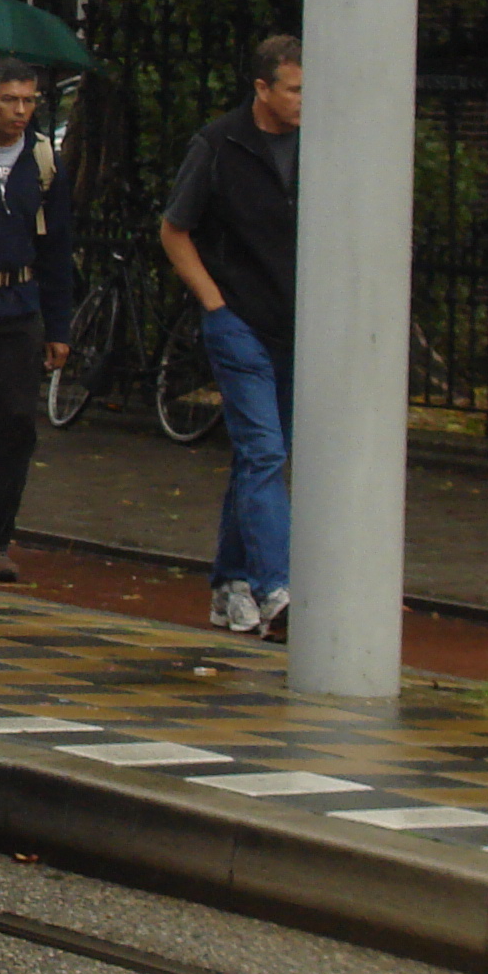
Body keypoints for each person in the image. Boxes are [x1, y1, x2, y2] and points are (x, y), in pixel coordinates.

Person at [161, 34, 303, 638]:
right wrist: (215, 305)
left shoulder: (319, 145)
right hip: (239, 322)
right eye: (294, 89)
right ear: (262, 89)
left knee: (259, 457)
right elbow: (174, 229)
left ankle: (228, 583)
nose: (304, 100)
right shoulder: (220, 144)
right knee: (266, 453)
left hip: (295, 326)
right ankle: (276, 589)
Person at [0, 53, 74, 586]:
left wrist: (59, 327)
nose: (21, 111)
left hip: (20, 305)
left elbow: (56, 247)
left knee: (13, 427)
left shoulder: (41, 160)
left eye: (30, 100)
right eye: (10, 99)